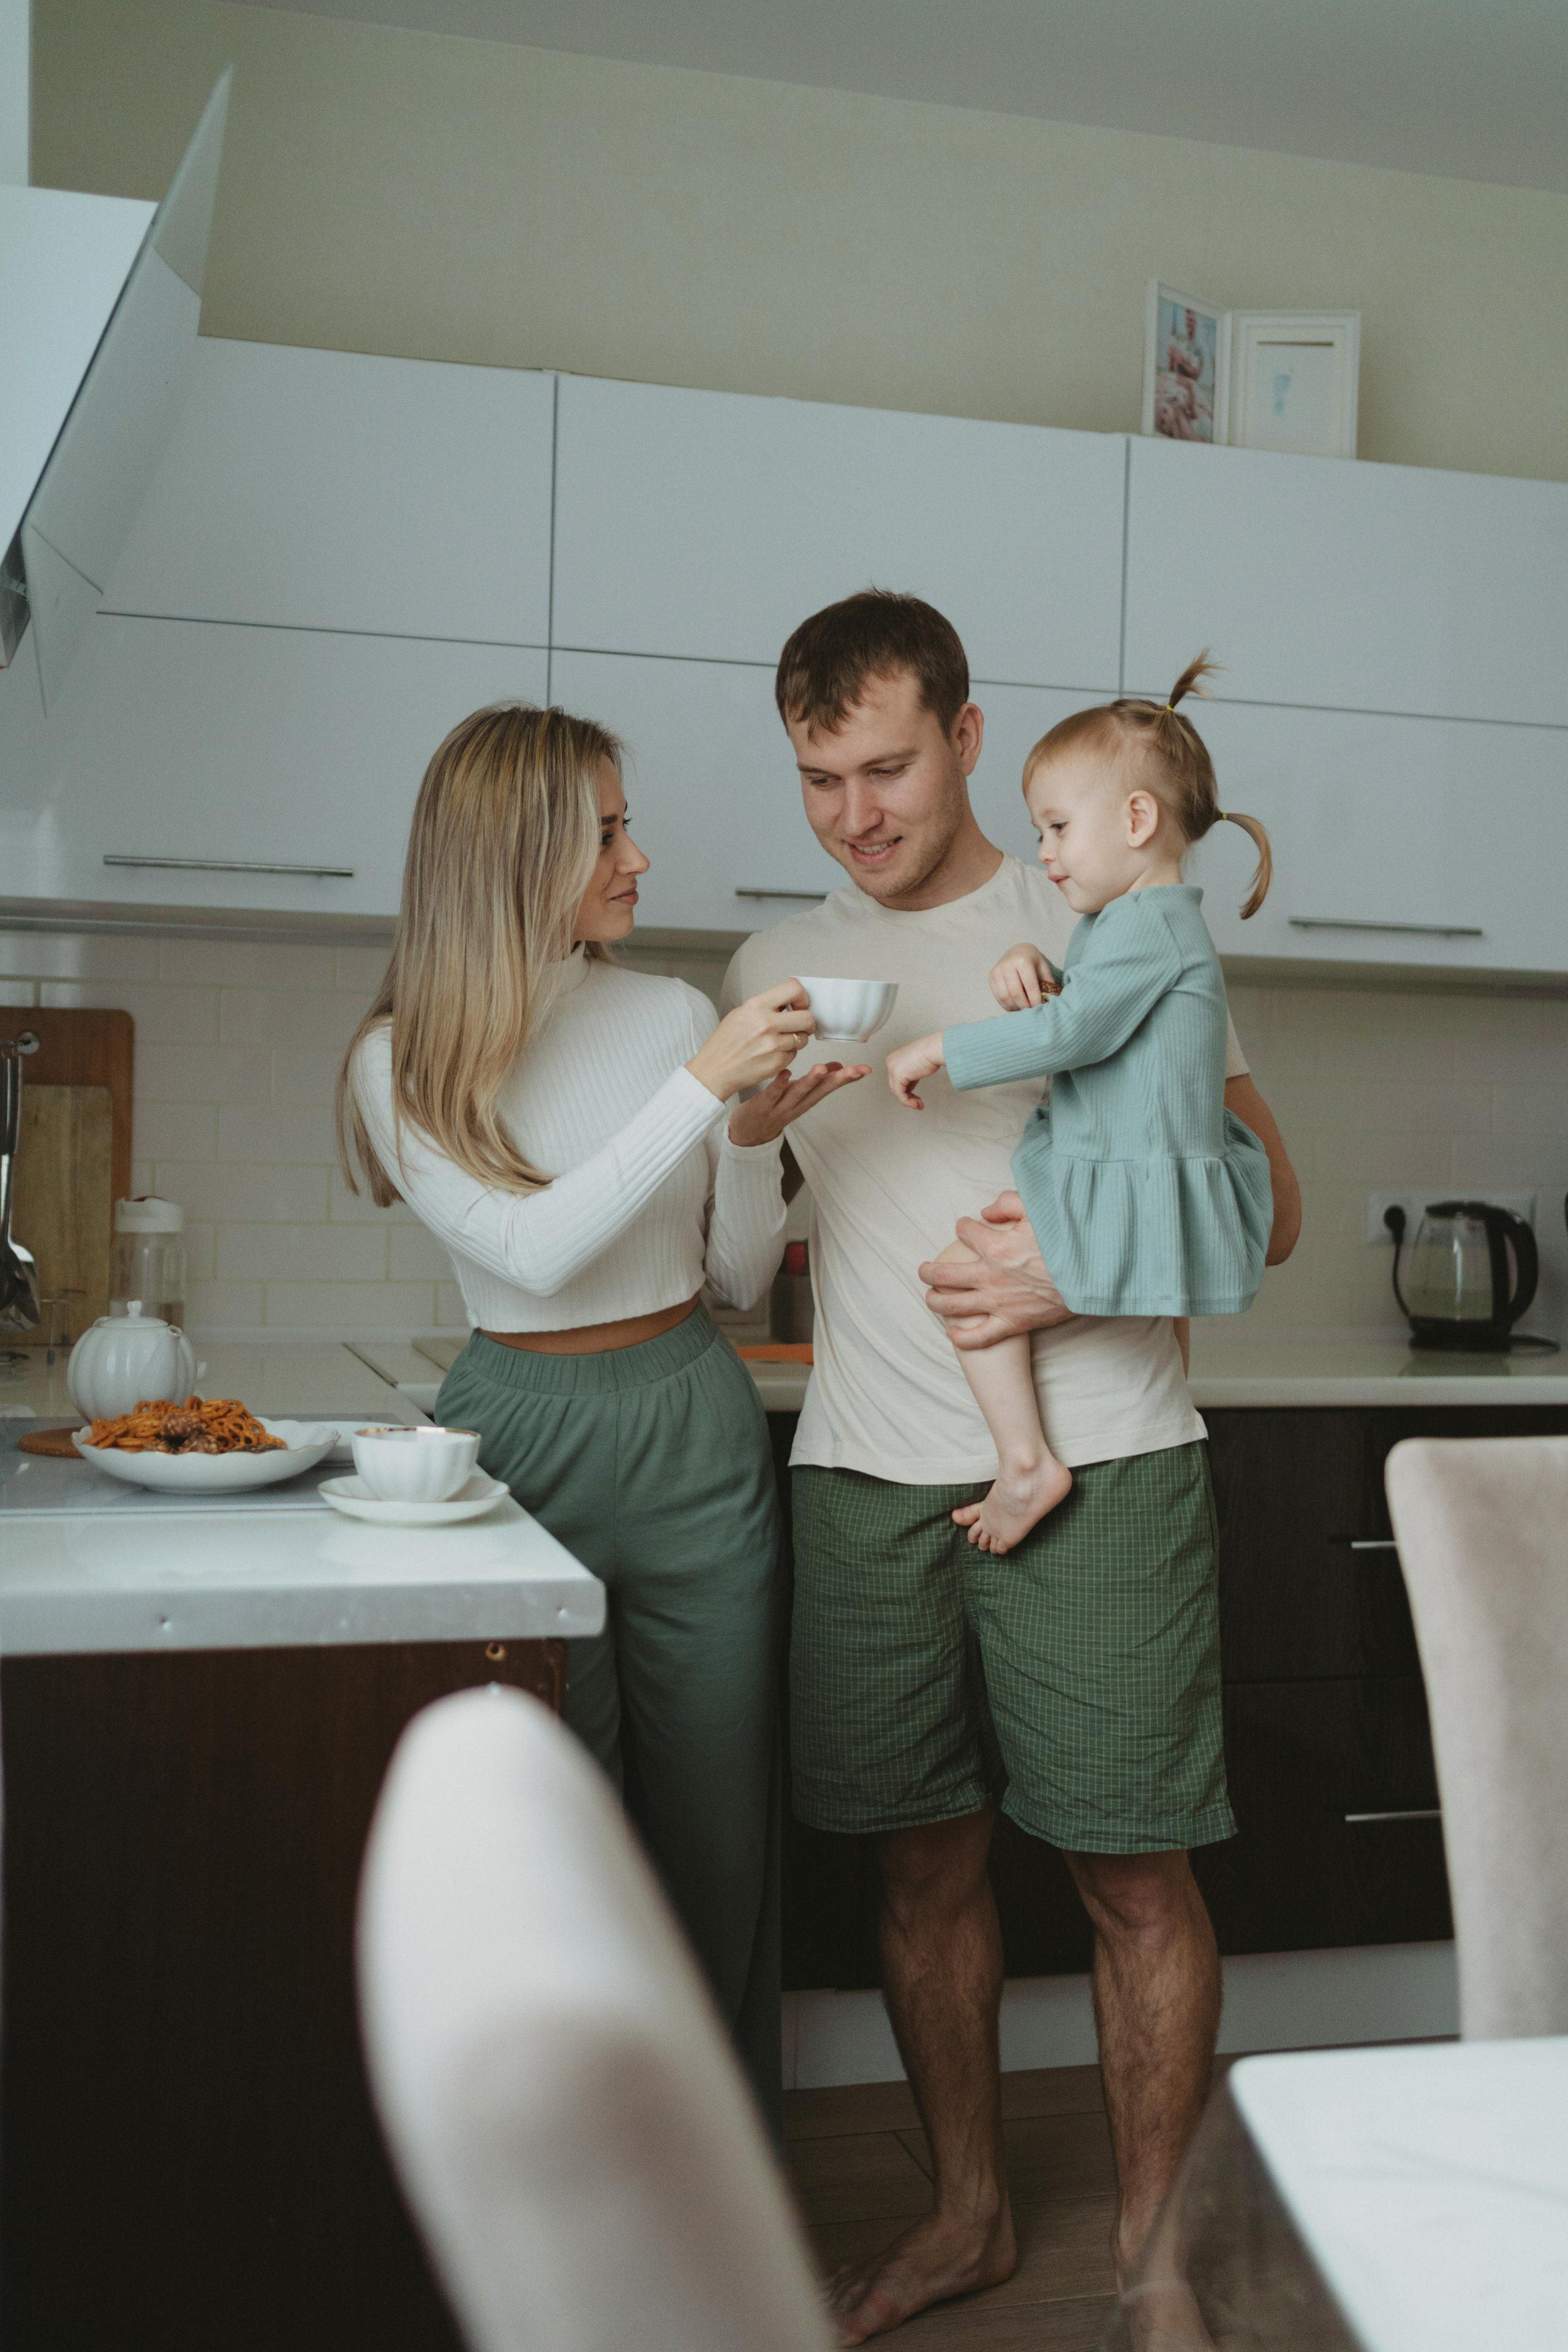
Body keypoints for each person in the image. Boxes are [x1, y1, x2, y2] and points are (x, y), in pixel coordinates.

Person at [720, 593, 1300, 2342]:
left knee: (1133, 1873)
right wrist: (733, 1121)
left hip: (1107, 1459)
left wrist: (1083, 1268)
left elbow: (1269, 1204)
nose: (855, 812)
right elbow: (742, 1249)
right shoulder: (774, 970)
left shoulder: (1109, 907)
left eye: (886, 766)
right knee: (918, 1867)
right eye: (819, 777)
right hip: (865, 1468)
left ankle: (1152, 2265)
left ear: (968, 739)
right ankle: (968, 2215)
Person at [336, 701, 867, 2127]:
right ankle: (573, 2180)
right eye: (608, 830)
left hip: (691, 1421)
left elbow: (738, 1275)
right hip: (516, 1445)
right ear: (517, 854)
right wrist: (699, 1094)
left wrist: (750, 1143)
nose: (641, 857)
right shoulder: (399, 1061)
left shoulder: (669, 1013)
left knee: (713, 1835)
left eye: (628, 824)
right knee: (556, 1843)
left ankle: (720, 2187)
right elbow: (531, 1253)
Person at [884, 656, 1274, 1554]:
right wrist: (1038, 964)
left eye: (1058, 828)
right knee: (966, 1278)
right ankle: (1024, 1459)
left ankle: (1025, 1462)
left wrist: (940, 1046)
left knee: (958, 1279)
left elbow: (1075, 1037)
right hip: (1106, 1171)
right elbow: (1096, 1013)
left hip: (1125, 1180)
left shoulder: (1152, 923)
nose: (1045, 852)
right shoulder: (1131, 924)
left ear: (1138, 820)